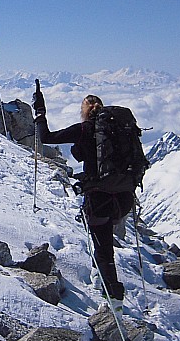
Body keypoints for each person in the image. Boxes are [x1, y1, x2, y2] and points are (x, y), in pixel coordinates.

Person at [33, 91, 133, 306]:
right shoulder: (119, 130)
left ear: (84, 111)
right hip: (124, 197)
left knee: (103, 246)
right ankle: (101, 280)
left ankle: (114, 299)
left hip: (99, 198)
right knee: (105, 241)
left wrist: (40, 113)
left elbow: (46, 137)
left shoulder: (83, 129)